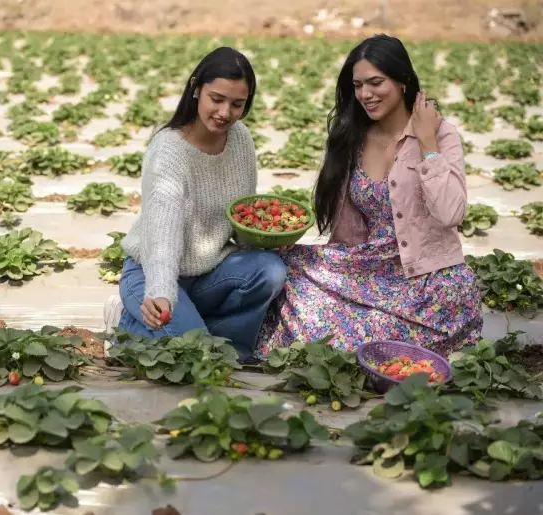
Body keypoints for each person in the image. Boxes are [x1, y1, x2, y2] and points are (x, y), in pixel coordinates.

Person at [256, 34, 482, 356]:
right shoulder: (354, 137)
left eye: (376, 82)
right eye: (358, 85)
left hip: (428, 281)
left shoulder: (441, 134)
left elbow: (451, 213)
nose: (365, 94)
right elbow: (348, 231)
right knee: (284, 270)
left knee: (338, 339)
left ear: (403, 80)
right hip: (368, 267)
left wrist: (428, 145)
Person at [102, 47, 288, 361]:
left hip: (209, 272)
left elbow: (242, 213)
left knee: (270, 271)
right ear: (196, 89)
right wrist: (160, 291)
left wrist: (265, 240)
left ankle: (226, 347)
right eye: (216, 99)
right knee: (197, 355)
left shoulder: (240, 139)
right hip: (153, 273)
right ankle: (124, 321)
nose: (225, 113)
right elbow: (162, 235)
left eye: (237, 104)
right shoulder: (170, 150)